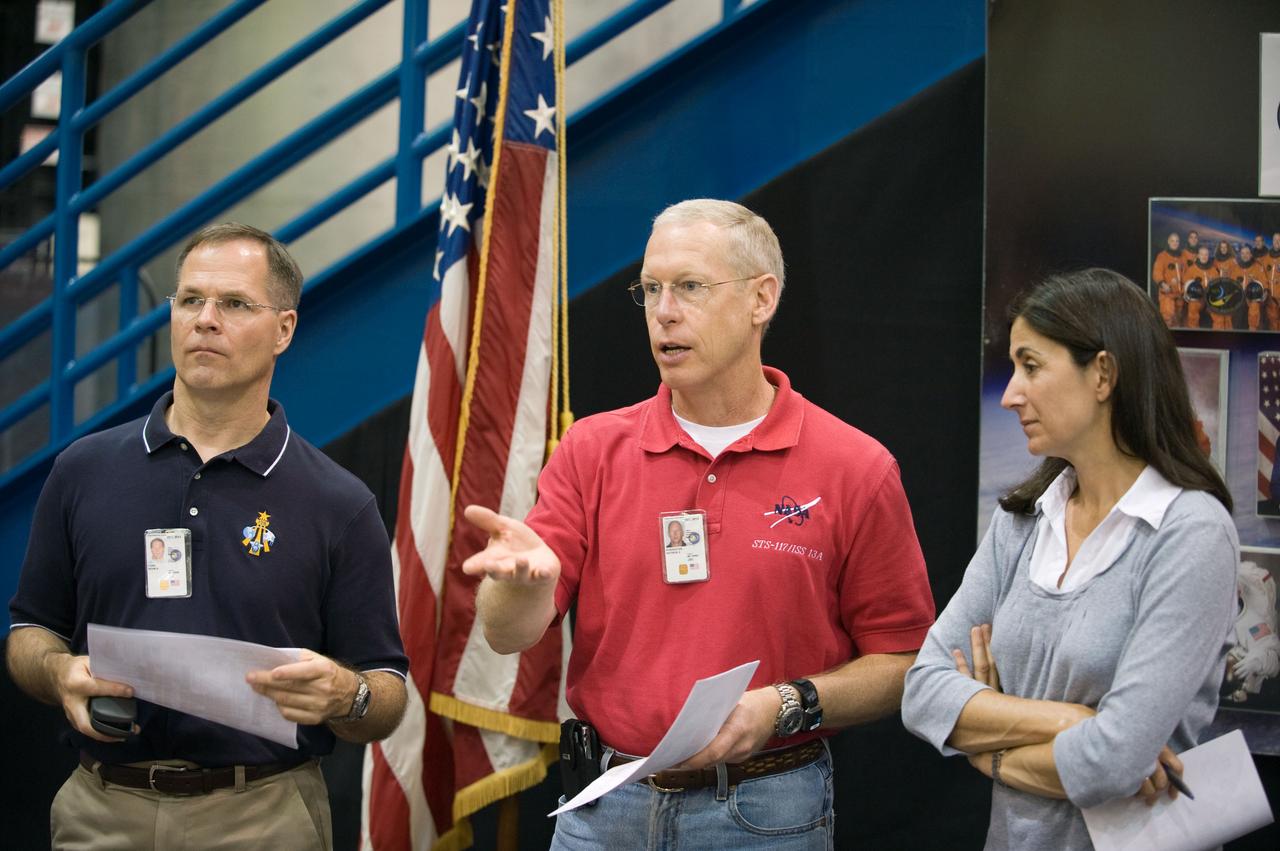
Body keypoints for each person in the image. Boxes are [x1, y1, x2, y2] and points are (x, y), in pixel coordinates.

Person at [461, 199, 936, 849]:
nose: (663, 311)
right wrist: (518, 586)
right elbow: (507, 633)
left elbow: (903, 662)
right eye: (650, 288)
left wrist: (783, 705)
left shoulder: (855, 467)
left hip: (764, 811)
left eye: (689, 286)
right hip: (604, 809)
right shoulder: (591, 449)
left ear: (761, 299)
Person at [7, 223, 409, 849]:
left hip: (265, 815)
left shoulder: (339, 503)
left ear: (284, 330)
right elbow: (29, 632)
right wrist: (59, 672)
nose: (205, 320)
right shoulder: (83, 471)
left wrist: (347, 695)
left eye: (235, 303)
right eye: (190, 299)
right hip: (101, 810)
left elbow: (386, 690)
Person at [901, 268, 1237, 849]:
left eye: (1030, 366)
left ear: (1103, 373)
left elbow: (1115, 760)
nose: (1009, 394)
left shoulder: (1192, 535)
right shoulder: (1022, 520)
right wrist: (1070, 720)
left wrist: (990, 751)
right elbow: (922, 692)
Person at [1150, 231, 1186, 327]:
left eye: (1177, 241)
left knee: (1178, 320)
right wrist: (1162, 284)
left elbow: (1185, 273)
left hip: (1179, 294)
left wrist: (1185, 287)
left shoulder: (1181, 258)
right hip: (1167, 293)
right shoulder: (1162, 256)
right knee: (1168, 318)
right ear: (1168, 242)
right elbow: (1157, 272)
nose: (1175, 243)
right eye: (1172, 241)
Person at [1182, 243, 1214, 328]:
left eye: (1206, 254)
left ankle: (1218, 333)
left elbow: (1218, 285)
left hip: (1211, 298)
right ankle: (1194, 330)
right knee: (1193, 307)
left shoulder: (1213, 270)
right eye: (1202, 254)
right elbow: (1185, 284)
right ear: (1198, 256)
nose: (1204, 256)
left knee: (1219, 314)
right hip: (1198, 298)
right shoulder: (1192, 269)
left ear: (1208, 256)